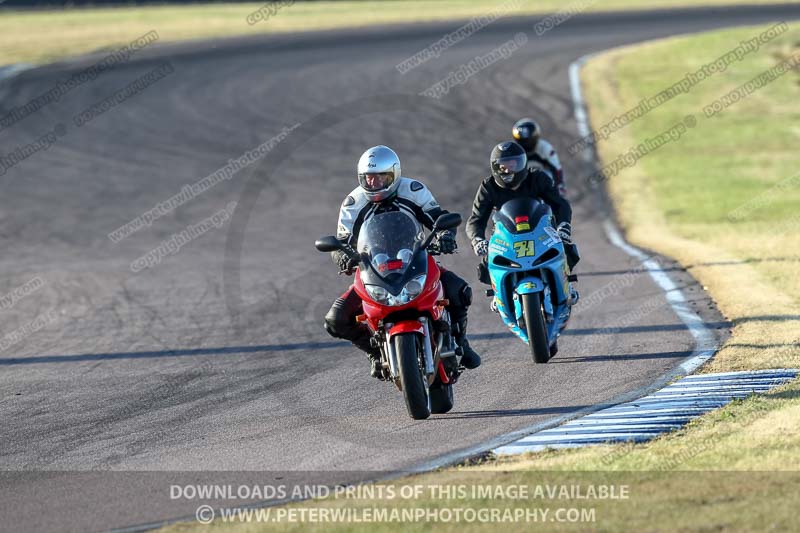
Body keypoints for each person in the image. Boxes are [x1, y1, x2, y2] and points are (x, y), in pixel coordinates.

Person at [324, 145, 481, 379]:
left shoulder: (413, 190)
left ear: (394, 174)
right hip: (372, 267)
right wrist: (341, 256)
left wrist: (445, 236)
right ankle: (374, 351)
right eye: (368, 179)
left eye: (381, 178)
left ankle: (462, 342)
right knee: (336, 319)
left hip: (414, 258)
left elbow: (437, 217)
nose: (374, 184)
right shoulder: (353, 202)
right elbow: (342, 239)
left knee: (460, 291)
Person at [466, 141, 580, 293]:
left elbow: (560, 204)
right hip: (505, 237)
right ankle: (499, 293)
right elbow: (476, 219)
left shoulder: (537, 178)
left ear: (522, 164)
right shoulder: (488, 187)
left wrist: (564, 225)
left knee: (567, 249)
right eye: (502, 166)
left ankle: (565, 284)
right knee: (487, 264)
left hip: (541, 231)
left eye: (512, 165)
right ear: (495, 168)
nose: (507, 170)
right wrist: (477, 240)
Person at [512, 118, 567, 197]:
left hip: (544, 184)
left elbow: (556, 169)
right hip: (522, 186)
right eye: (521, 141)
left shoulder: (545, 148)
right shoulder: (514, 151)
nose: (524, 144)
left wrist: (560, 187)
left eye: (526, 141)